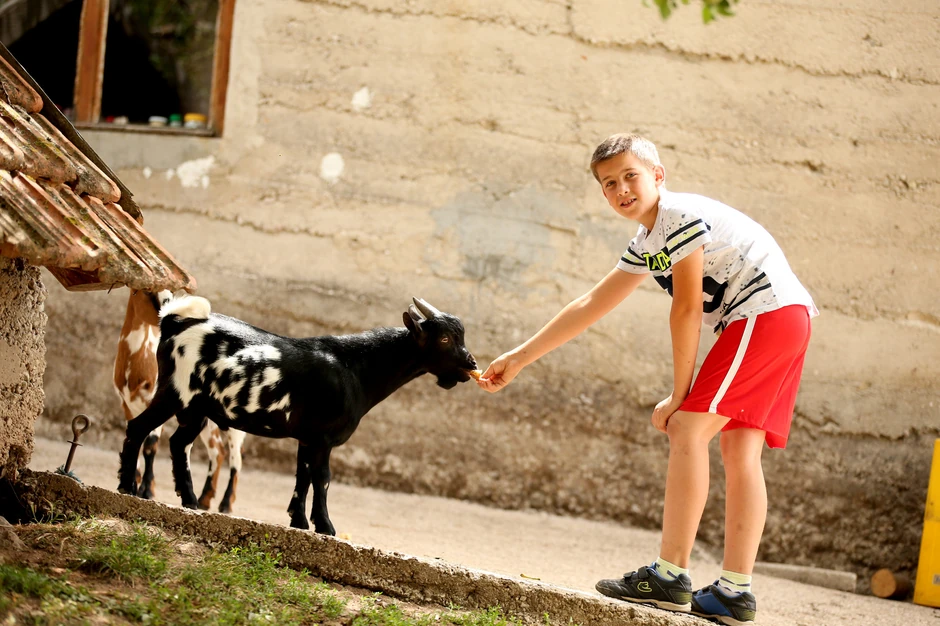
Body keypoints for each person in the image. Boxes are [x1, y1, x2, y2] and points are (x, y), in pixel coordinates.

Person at [476, 134, 817, 625]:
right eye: (608, 183)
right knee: (740, 450)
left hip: (765, 315)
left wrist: (681, 396)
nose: (621, 190)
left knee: (686, 427)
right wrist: (521, 356)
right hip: (781, 318)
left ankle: (669, 576)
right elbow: (592, 303)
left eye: (630, 176)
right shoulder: (649, 239)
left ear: (658, 175)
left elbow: (685, 308)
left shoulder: (677, 217)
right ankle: (733, 592)